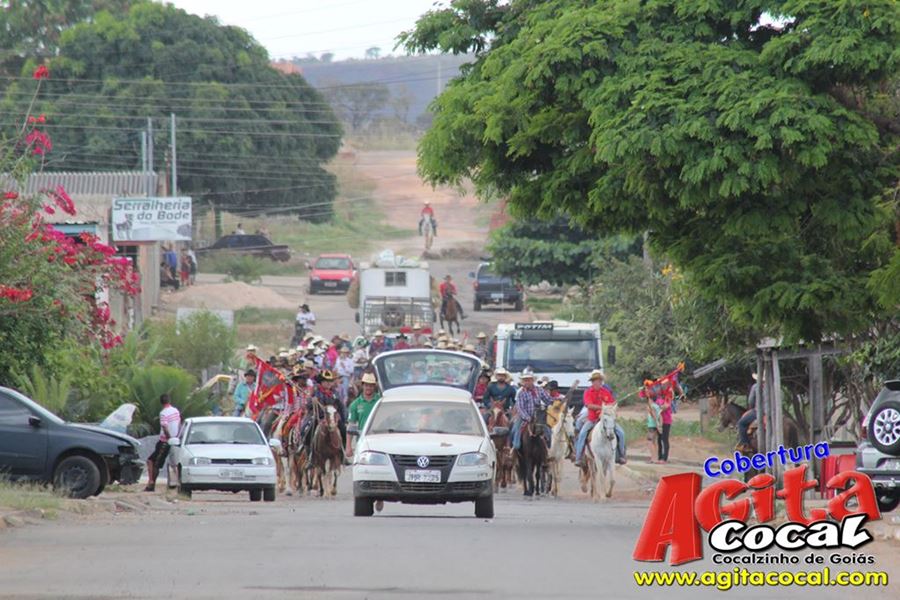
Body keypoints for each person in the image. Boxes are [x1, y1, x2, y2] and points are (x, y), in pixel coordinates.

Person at [574, 370, 626, 466]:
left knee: (621, 433)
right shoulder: (588, 392)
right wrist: (603, 407)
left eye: (600, 380)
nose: (599, 382)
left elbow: (613, 403)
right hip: (593, 419)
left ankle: (621, 455)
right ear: (592, 382)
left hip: (607, 420)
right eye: (596, 380)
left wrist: (613, 406)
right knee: (582, 434)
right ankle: (579, 457)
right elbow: (589, 405)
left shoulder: (606, 392)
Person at [143, 393, 181, 492]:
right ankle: (151, 483)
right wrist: (176, 436)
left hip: (165, 441)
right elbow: (179, 424)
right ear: (170, 401)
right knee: (167, 462)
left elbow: (164, 426)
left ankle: (151, 484)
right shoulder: (175, 411)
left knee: (153, 462)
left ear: (161, 402)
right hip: (174, 440)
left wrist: (169, 438)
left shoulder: (163, 413)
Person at [510, 370, 551, 450]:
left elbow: (548, 400)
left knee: (548, 431)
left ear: (532, 380)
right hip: (524, 417)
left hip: (538, 417)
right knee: (515, 430)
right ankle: (514, 450)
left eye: (529, 380)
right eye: (525, 380)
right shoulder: (521, 393)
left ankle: (549, 450)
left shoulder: (539, 390)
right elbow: (520, 408)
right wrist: (527, 418)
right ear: (522, 382)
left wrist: (557, 401)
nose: (527, 382)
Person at [347, 372, 381, 454]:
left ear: (374, 386)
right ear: (362, 386)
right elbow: (351, 425)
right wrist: (348, 446)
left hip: (379, 438)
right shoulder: (355, 404)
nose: (368, 388)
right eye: (366, 385)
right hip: (363, 440)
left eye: (371, 385)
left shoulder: (380, 401)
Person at [737, 373, 759, 453]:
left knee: (741, 423)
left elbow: (751, 401)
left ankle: (745, 444)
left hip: (758, 411)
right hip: (773, 411)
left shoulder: (755, 386)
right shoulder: (773, 385)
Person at [645, 384, 663, 463]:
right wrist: (660, 425)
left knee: (649, 441)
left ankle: (653, 458)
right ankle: (655, 457)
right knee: (654, 442)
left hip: (652, 425)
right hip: (655, 426)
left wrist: (657, 425)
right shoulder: (657, 406)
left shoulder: (652, 407)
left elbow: (654, 416)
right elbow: (660, 416)